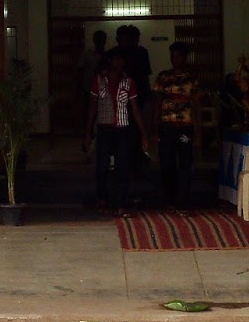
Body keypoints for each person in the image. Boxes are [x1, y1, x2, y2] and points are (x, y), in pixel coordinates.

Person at [85, 50, 143, 216]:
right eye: (115, 59)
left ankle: (121, 202)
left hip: (123, 127)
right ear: (109, 61)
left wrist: (143, 133)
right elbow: (92, 107)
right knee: (102, 166)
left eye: (120, 59)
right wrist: (88, 132)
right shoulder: (99, 80)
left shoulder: (128, 82)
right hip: (104, 127)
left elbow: (135, 109)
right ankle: (102, 198)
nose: (117, 63)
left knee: (123, 166)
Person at [150, 42, 203, 211]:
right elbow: (157, 103)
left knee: (185, 163)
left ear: (184, 57)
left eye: (178, 56)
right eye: (172, 56)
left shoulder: (192, 79)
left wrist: (198, 131)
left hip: (185, 126)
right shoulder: (163, 77)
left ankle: (183, 200)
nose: (174, 59)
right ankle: (169, 198)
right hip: (166, 126)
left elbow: (196, 106)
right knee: (167, 163)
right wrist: (155, 127)